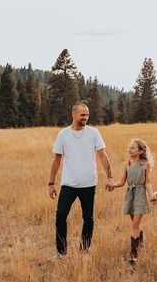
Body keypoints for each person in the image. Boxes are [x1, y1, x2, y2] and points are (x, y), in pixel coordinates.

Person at [48, 103, 114, 257]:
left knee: (88, 218)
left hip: (89, 183)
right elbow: (57, 160)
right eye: (82, 114)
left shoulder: (93, 133)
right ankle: (61, 253)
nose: (85, 118)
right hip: (68, 184)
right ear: (73, 114)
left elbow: (103, 155)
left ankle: (84, 250)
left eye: (87, 115)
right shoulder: (63, 134)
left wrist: (109, 177)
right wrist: (51, 183)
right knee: (61, 216)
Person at [112, 138, 154, 264]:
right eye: (129, 147)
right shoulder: (127, 164)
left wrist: (151, 194)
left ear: (140, 151)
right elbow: (121, 182)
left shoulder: (145, 164)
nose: (129, 150)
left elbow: (147, 182)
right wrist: (112, 185)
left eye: (133, 148)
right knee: (134, 224)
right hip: (130, 194)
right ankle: (140, 243)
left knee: (134, 225)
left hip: (141, 194)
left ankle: (133, 254)